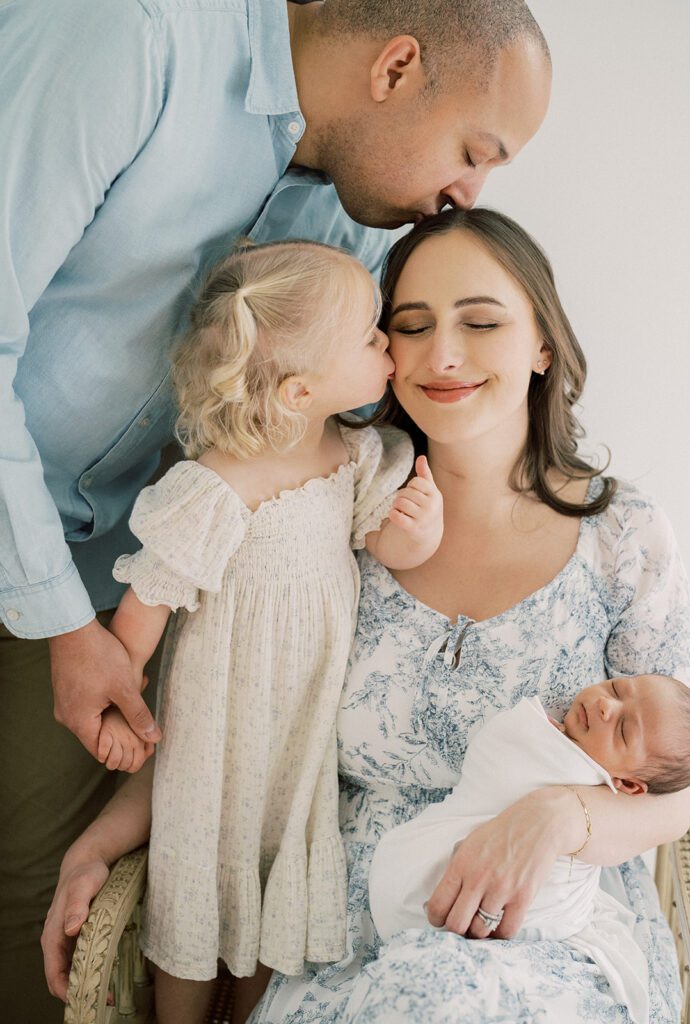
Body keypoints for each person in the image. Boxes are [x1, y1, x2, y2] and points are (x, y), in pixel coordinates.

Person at [0, 1, 551, 1016]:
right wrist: (62, 618)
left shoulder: (357, 212)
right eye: (475, 153)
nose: (463, 194)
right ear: (395, 66)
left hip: (101, 592)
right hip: (45, 570)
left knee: (36, 907)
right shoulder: (131, 34)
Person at [43, 208, 690, 1024]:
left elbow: (678, 789)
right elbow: (227, 715)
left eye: (482, 322)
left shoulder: (626, 537)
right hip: (340, 933)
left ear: (543, 343)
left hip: (547, 932)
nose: (443, 355)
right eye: (411, 326)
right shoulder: (334, 517)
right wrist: (100, 844)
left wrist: (559, 815)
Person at [96, 237, 443, 1022]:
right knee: (199, 893)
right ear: (297, 390)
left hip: (304, 731)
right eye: (370, 337)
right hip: (217, 736)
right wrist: (120, 703)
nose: (388, 344)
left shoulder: (353, 456)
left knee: (272, 904)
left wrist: (413, 534)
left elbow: (384, 542)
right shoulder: (219, 483)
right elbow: (148, 601)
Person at [368, 675, 690, 1024]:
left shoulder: (599, 779)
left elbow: (679, 799)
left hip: (539, 921)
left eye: (624, 730)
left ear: (626, 785)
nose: (607, 705)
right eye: (616, 689)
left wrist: (560, 815)